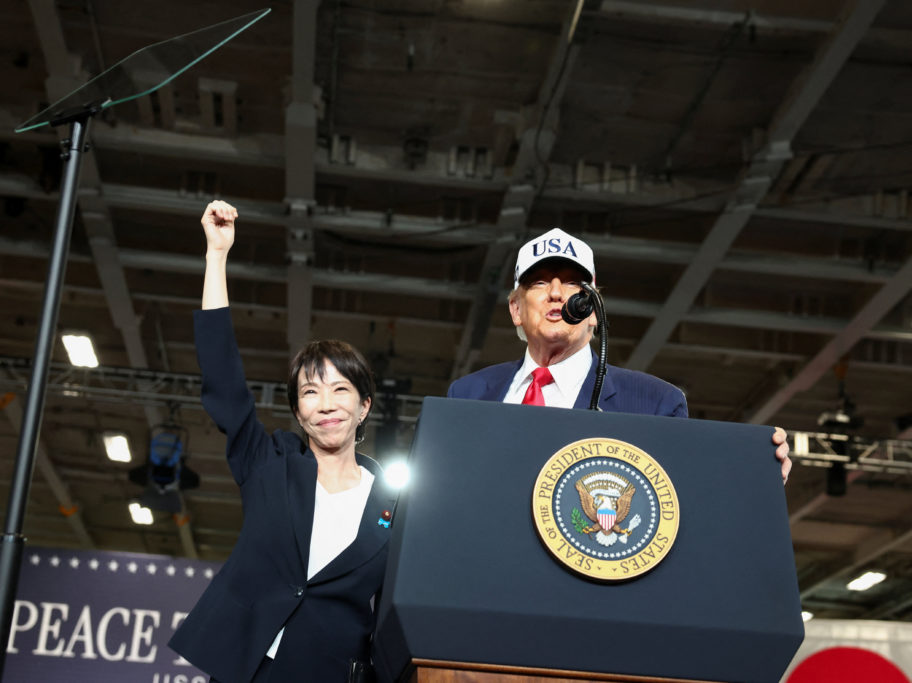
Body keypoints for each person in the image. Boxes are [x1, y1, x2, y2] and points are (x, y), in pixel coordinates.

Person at [169, 201, 392, 682]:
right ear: (297, 411)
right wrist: (216, 255)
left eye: (341, 390)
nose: (326, 404)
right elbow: (224, 379)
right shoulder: (268, 464)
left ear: (365, 406)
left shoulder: (395, 502)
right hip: (246, 668)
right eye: (311, 392)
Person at [447, 228, 792, 482]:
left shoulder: (655, 403)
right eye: (538, 282)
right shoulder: (466, 395)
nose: (554, 293)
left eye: (571, 283)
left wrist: (755, 474)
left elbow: (687, 497)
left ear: (593, 310)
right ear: (516, 309)